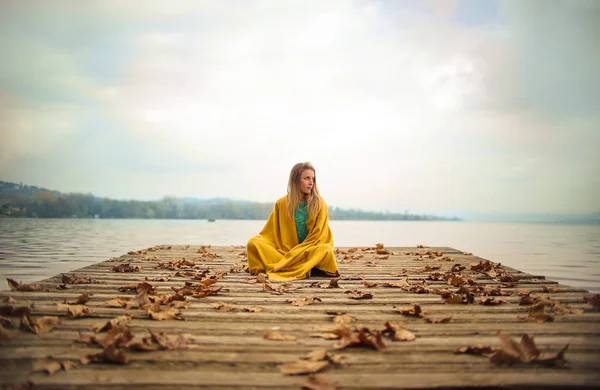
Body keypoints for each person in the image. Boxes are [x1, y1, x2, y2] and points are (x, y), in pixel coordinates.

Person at [246, 162, 340, 281]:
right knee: (253, 243)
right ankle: (304, 268)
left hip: (308, 251)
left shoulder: (320, 204)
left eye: (313, 179)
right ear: (295, 180)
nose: (311, 183)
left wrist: (301, 252)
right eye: (307, 178)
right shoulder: (282, 203)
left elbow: (320, 236)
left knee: (325, 249)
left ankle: (294, 266)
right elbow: (269, 233)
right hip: (285, 252)